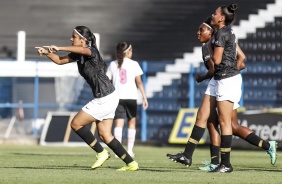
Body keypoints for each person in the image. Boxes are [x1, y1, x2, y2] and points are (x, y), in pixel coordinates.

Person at [35, 26, 138, 171]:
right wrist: (47, 53)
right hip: (109, 96)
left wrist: (59, 47)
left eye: (74, 37)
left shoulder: (91, 51)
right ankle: (131, 163)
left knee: (76, 124)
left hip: (105, 97)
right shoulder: (79, 54)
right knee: (105, 135)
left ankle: (101, 153)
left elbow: (84, 50)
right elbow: (59, 61)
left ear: (83, 39)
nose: (71, 39)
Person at [195, 17, 277, 171]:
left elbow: (213, 69)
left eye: (201, 30)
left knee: (213, 121)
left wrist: (203, 78)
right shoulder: (227, 37)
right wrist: (231, 72)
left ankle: (216, 162)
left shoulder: (211, 43)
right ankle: (267, 145)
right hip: (230, 83)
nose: (198, 33)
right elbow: (243, 59)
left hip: (223, 84)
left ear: (210, 30)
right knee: (232, 125)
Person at [167, 3, 241, 173]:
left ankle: (226, 164)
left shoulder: (222, 34)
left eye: (215, 13)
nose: (213, 15)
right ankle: (187, 155)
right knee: (202, 115)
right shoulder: (222, 33)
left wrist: (209, 47)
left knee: (224, 121)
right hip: (219, 79)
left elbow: (216, 60)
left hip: (227, 79)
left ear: (222, 18)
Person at [107, 42, 148, 158]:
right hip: (131, 97)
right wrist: (144, 97)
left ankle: (118, 150)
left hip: (117, 97)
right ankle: (130, 150)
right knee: (132, 122)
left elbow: (109, 83)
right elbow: (139, 82)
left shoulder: (112, 64)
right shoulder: (134, 64)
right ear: (128, 52)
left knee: (118, 123)